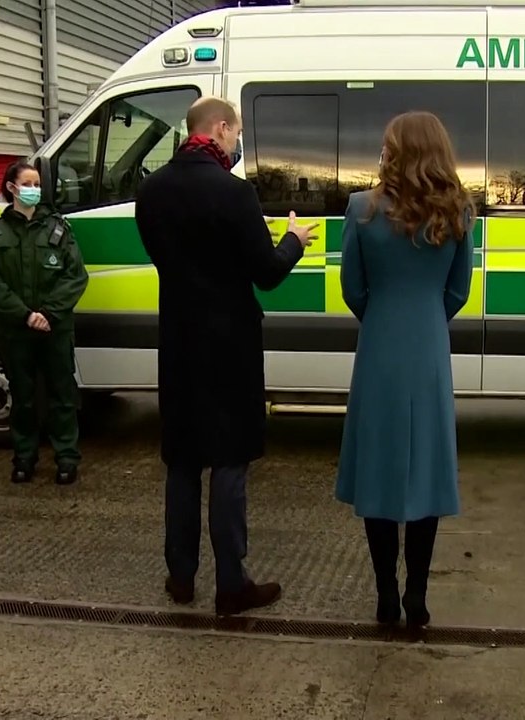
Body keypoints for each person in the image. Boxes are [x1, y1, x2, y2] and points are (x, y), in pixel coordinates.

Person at [134, 96, 319, 616]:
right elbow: (267, 272)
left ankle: (181, 577)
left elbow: (168, 260)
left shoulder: (151, 191)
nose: (237, 143)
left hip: (178, 343)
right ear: (219, 128)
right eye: (236, 134)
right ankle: (232, 585)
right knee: (229, 460)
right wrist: (293, 241)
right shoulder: (235, 193)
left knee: (183, 461)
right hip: (230, 348)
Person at [335, 111, 475, 629]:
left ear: (393, 151)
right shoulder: (459, 210)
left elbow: (353, 287)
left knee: (379, 468)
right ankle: (417, 595)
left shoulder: (361, 208)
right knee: (427, 471)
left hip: (379, 345)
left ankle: (385, 595)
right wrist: (427, 317)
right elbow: (459, 289)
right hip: (429, 345)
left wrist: (381, 315)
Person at [0, 161, 89, 485]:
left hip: (54, 328)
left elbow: (75, 276)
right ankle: (24, 458)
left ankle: (66, 458)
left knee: (62, 395)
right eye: (28, 184)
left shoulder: (58, 229)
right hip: (15, 330)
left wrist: (48, 313)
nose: (34, 189)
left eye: (37, 184)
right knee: (22, 397)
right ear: (11, 187)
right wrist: (24, 314)